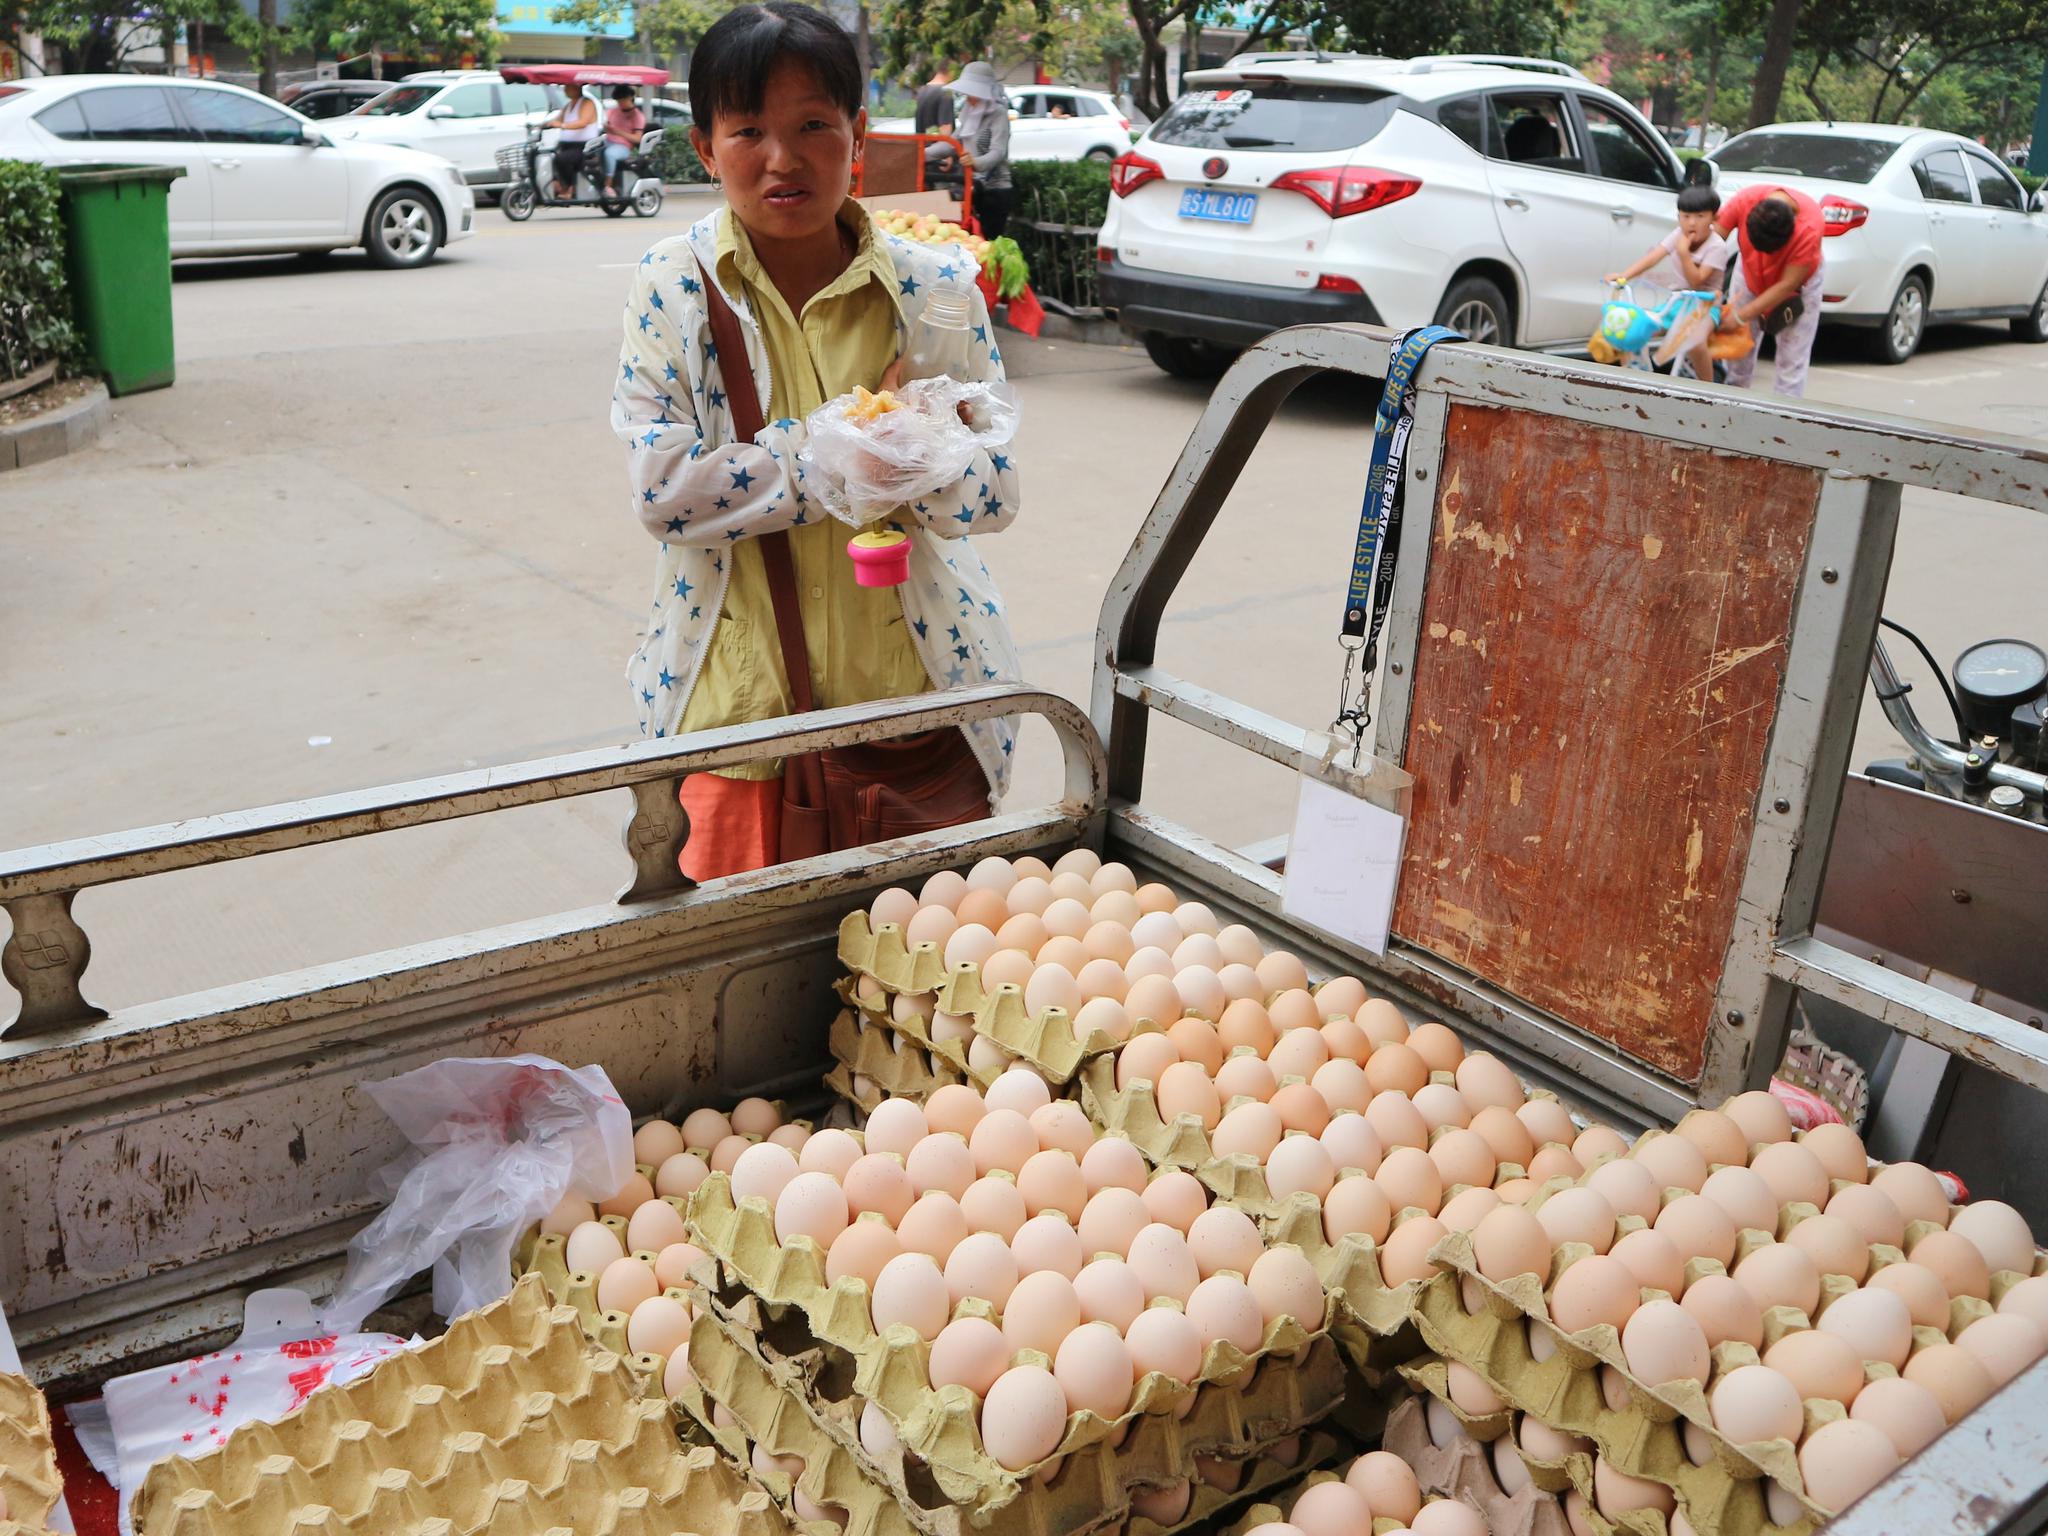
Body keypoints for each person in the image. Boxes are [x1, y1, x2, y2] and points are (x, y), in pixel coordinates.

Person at [612, 1, 1023, 880]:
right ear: (704, 148)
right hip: (734, 725)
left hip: (915, 709)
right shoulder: (672, 287)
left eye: (811, 126)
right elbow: (664, 492)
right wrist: (839, 456)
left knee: (913, 986)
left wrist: (920, 461)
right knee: (735, 994)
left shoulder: (936, 289)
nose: (782, 159)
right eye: (748, 129)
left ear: (859, 134)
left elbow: (995, 495)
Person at [1605, 175, 1735, 382]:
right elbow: (1653, 257)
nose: (1691, 223)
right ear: (1679, 217)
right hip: (1679, 302)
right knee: (1633, 330)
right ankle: (1633, 380)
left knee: (1695, 342)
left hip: (1706, 306)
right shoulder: (1678, 234)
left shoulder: (1716, 246)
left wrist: (1683, 254)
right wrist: (1624, 276)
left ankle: (1708, 390)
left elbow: (1696, 281)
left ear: (1714, 218)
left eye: (1700, 216)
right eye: (1685, 216)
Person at [1715, 182, 1825, 398]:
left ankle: (1783, 417)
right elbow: (1714, 239)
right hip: (1747, 273)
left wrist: (1738, 315)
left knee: (1791, 362)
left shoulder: (1809, 227)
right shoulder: (1743, 201)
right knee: (1736, 354)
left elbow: (1787, 285)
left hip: (1797, 287)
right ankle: (1731, 408)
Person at [953, 60, 1013, 240]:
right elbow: (952, 142)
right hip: (973, 188)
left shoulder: (998, 114)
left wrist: (975, 162)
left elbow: (998, 151)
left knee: (988, 242)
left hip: (995, 191)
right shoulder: (969, 111)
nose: (969, 96)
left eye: (973, 91)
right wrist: (920, 153)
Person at [544, 85, 600, 200]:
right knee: (550, 158)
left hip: (584, 147)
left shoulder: (587, 103)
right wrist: (543, 125)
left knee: (563, 159)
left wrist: (562, 126)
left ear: (576, 88)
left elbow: (583, 122)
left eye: (567, 87)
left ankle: (569, 188)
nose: (564, 90)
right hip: (567, 145)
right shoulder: (569, 106)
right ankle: (558, 186)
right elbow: (557, 120)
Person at [600, 84, 647, 199]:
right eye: (618, 101)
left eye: (623, 100)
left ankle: (608, 185)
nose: (620, 103)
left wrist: (618, 132)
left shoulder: (637, 116)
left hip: (623, 147)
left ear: (630, 97)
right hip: (607, 141)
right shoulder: (612, 112)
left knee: (609, 154)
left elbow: (637, 138)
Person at [914, 65, 955, 134]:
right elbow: (945, 129)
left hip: (922, 143)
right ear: (951, 72)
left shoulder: (922, 90)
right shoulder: (946, 92)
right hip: (937, 143)